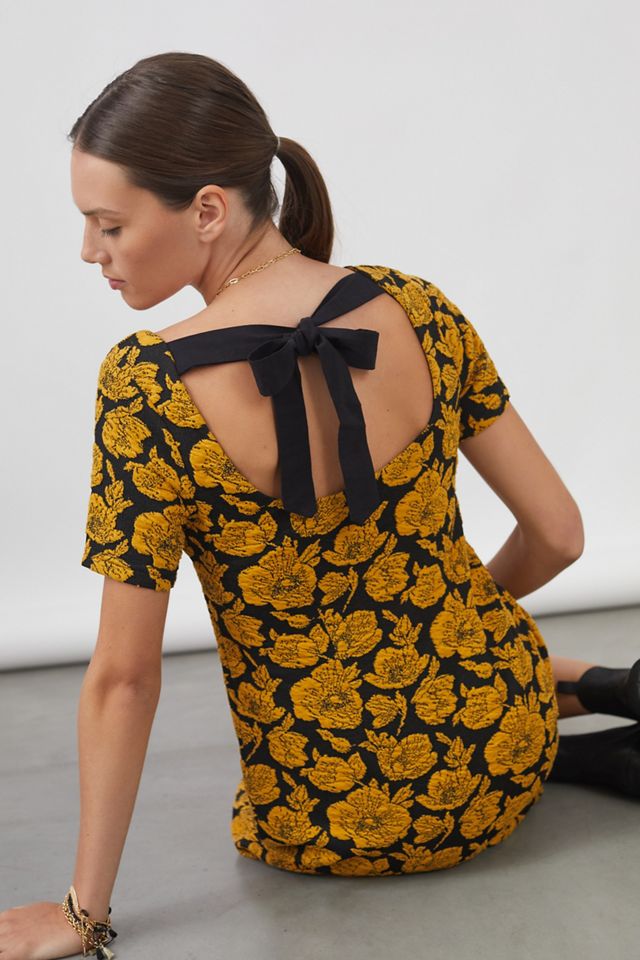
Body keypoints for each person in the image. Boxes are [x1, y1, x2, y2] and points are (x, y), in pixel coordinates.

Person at [2, 50, 639, 960]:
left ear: (208, 210)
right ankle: (594, 695)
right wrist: (458, 625)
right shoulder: (418, 309)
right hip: (504, 747)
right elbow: (561, 535)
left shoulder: (149, 389)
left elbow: (125, 678)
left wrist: (81, 914)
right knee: (466, 641)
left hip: (330, 816)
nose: (89, 251)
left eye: (109, 224)